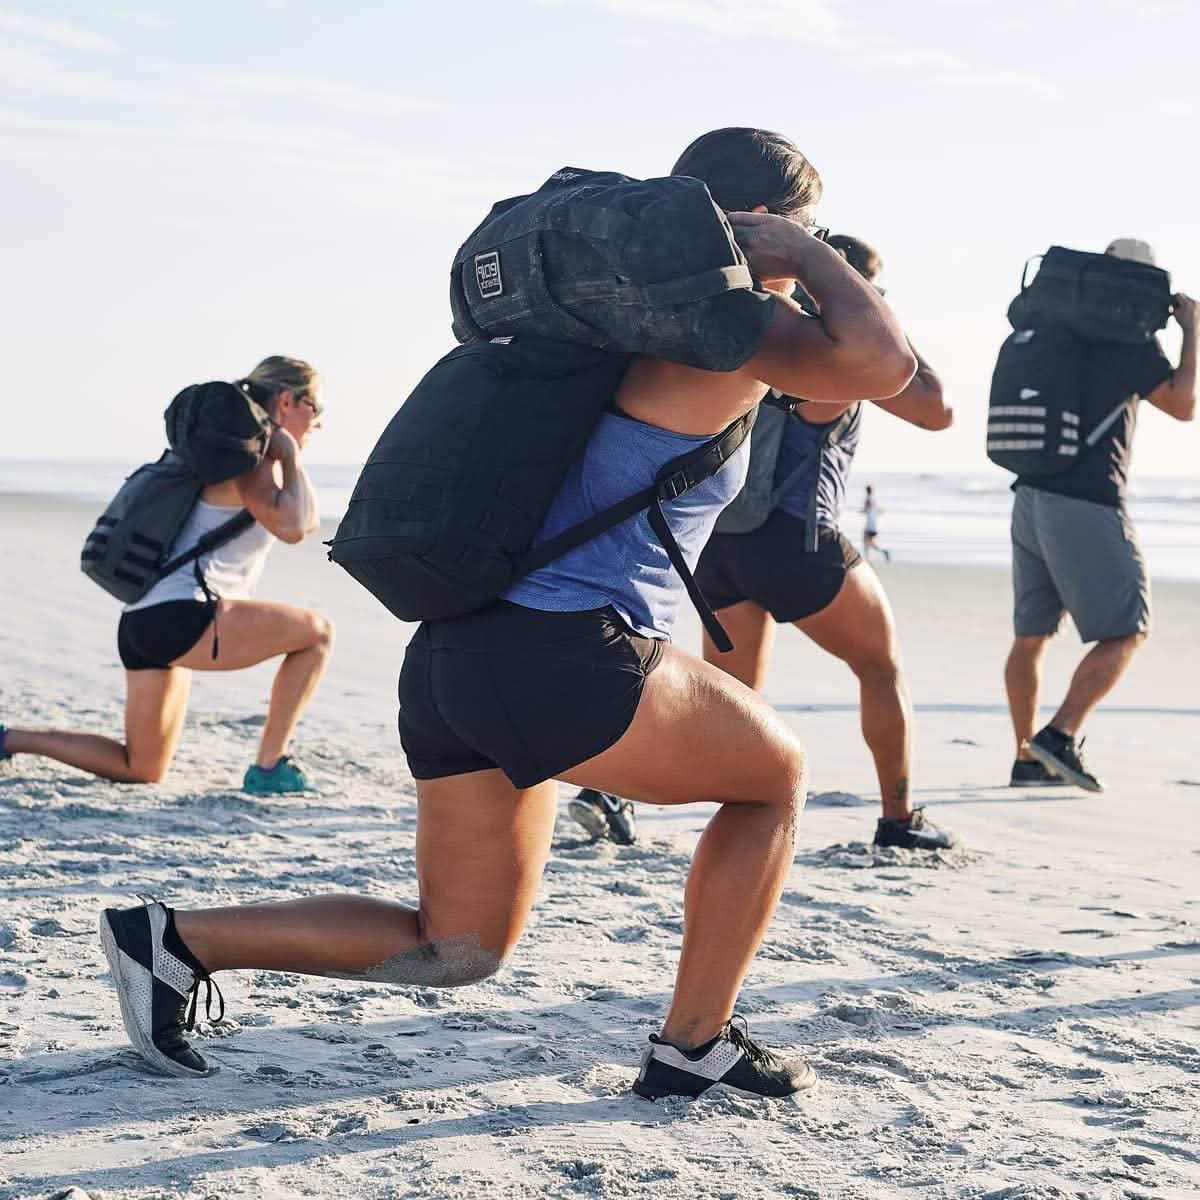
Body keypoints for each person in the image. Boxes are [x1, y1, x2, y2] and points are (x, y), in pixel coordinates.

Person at [97, 128, 916, 1100]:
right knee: (774, 777)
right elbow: (882, 364)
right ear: (765, 225)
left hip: (456, 654)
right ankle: (695, 1041)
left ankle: (174, 941)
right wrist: (810, 255)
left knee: (456, 947)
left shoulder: (576, 329)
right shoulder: (721, 334)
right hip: (567, 655)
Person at [0, 357, 332, 794]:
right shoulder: (251, 461)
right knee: (316, 634)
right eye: (316, 408)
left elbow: (301, 522)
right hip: (183, 615)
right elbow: (294, 527)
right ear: (287, 400)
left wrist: (289, 453)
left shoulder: (209, 456)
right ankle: (270, 767)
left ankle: (9, 739)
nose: (319, 422)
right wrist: (289, 455)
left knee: (141, 767)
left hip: (142, 620)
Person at [1004, 239, 1196, 790]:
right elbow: (1183, 406)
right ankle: (1058, 737)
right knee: (1128, 629)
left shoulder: (1055, 331)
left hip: (1030, 497)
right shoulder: (1125, 343)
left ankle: (1026, 760)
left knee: (1031, 637)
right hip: (1086, 500)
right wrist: (1192, 332)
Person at [862, 483, 890, 562]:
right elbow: (880, 510)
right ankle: (881, 552)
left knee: (867, 543)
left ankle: (868, 559)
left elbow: (866, 509)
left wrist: (862, 511)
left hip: (869, 525)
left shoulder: (868, 500)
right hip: (875, 526)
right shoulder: (875, 500)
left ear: (866, 491)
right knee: (870, 543)